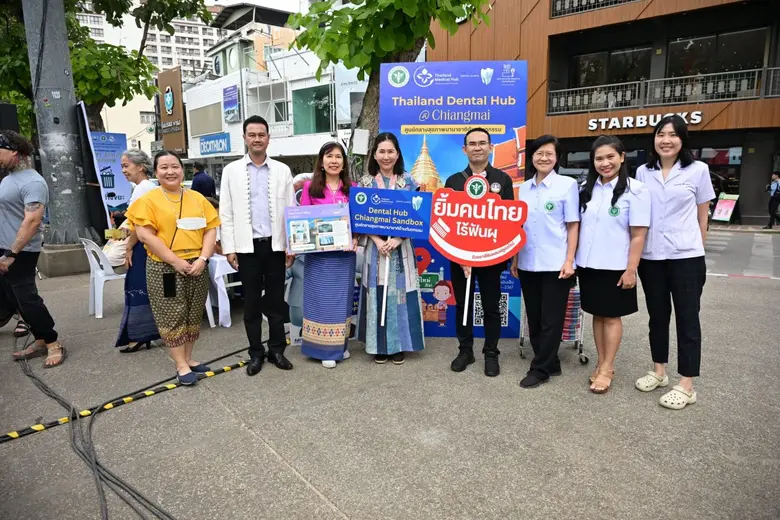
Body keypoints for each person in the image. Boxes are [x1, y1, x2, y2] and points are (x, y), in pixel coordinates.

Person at [634, 114, 715, 410]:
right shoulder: (643, 172)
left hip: (686, 257)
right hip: (652, 256)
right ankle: (659, 371)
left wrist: (699, 249)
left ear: (682, 140)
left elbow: (702, 215)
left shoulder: (698, 170)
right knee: (657, 315)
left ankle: (687, 383)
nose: (666, 140)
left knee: (687, 318)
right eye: (660, 134)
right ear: (653, 140)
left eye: (672, 135)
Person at [125, 151, 219, 385]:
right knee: (172, 315)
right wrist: (176, 262)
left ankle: (189, 358)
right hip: (165, 270)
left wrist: (203, 259)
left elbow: (210, 229)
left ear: (182, 170)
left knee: (192, 313)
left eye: (175, 166)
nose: (170, 172)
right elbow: (146, 236)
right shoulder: (148, 201)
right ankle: (180, 364)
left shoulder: (197, 199)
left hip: (197, 266)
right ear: (155, 172)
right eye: (164, 167)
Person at [219, 115, 295, 376]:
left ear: (268, 138)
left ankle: (277, 350)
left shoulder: (282, 170)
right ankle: (255, 353)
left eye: (261, 135)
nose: (257, 139)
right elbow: (225, 212)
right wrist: (229, 247)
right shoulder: (231, 171)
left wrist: (291, 245)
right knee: (251, 303)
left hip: (275, 246)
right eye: (252, 135)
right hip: (246, 248)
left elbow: (291, 210)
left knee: (275, 302)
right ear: (244, 138)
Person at [576, 136, 650, 394]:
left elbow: (639, 234)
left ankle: (607, 367)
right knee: (597, 314)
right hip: (587, 264)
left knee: (611, 317)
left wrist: (632, 269)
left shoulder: (636, 190)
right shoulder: (587, 188)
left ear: (622, 157)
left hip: (616, 265)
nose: (605, 163)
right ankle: (601, 361)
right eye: (599, 158)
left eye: (610, 157)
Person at [510, 134, 579, 388]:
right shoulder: (524, 188)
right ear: (532, 157)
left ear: (557, 157)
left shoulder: (567, 185)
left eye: (549, 153)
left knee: (552, 318)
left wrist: (570, 260)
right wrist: (515, 259)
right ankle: (550, 360)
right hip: (528, 262)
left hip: (555, 264)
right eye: (539, 153)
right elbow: (519, 226)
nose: (544, 158)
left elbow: (573, 225)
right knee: (535, 317)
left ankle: (540, 369)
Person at [447, 128, 513, 377]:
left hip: (491, 258)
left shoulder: (502, 180)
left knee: (491, 306)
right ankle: (465, 351)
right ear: (464, 149)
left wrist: (489, 254)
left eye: (482, 143)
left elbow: (508, 222)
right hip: (459, 258)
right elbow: (448, 222)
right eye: (472, 144)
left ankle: (491, 352)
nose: (477, 147)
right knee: (463, 304)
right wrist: (463, 257)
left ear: (490, 147)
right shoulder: (454, 181)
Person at [357, 132, 425, 364]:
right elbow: (360, 218)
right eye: (381, 151)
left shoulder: (409, 182)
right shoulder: (365, 183)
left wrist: (398, 238)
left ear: (397, 154)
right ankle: (378, 345)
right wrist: (376, 240)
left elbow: (418, 216)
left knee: (400, 295)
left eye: (390, 151)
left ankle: (399, 345)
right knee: (376, 293)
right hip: (375, 249)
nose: (386, 156)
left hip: (400, 248)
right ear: (374, 155)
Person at [0, 130, 65, 367]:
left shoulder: (33, 181)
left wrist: (11, 253)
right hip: (3, 248)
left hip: (21, 251)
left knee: (27, 298)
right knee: (13, 298)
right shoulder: (7, 179)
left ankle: (52, 342)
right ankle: (39, 339)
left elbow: (32, 220)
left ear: (14, 152)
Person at [299, 142, 358, 368]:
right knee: (321, 301)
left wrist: (355, 238)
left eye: (338, 157)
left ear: (344, 162)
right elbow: (302, 221)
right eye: (329, 156)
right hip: (320, 257)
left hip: (344, 257)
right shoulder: (309, 187)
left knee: (342, 301)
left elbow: (358, 221)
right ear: (321, 162)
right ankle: (322, 349)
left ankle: (339, 346)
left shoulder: (352, 188)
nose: (334, 161)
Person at [114, 149, 161, 353]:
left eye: (126, 165)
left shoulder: (144, 189)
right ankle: (145, 333)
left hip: (143, 245)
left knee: (139, 288)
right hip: (143, 243)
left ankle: (141, 334)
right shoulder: (144, 188)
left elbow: (136, 224)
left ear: (140, 166)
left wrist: (128, 246)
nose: (123, 170)